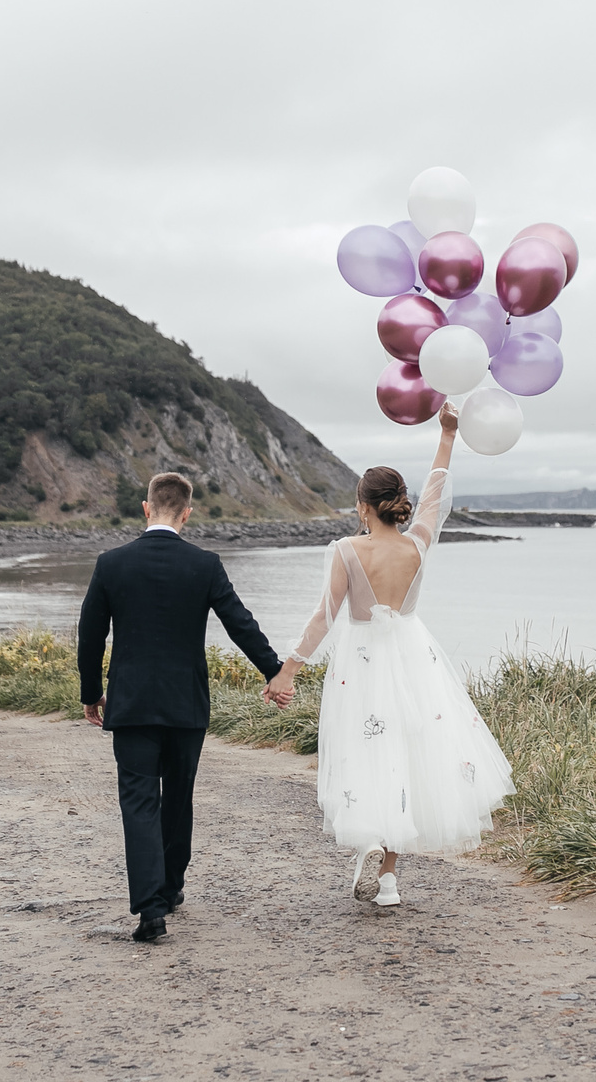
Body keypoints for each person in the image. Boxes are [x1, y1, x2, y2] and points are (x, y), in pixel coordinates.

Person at [264, 401, 514, 907]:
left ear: (363, 507)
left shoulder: (346, 550)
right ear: (398, 504)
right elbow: (436, 494)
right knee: (405, 757)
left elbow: (323, 618)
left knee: (364, 755)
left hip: (362, 666)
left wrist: (287, 672)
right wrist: (447, 435)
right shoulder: (418, 543)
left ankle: (370, 842)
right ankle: (390, 880)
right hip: (415, 659)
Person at [77, 470, 293, 944]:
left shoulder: (111, 563)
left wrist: (91, 693)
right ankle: (171, 886)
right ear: (187, 514)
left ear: (146, 508)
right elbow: (240, 623)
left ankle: (151, 910)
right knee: (178, 796)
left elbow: (90, 635)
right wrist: (275, 673)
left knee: (139, 801)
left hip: (132, 703)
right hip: (185, 704)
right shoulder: (205, 564)